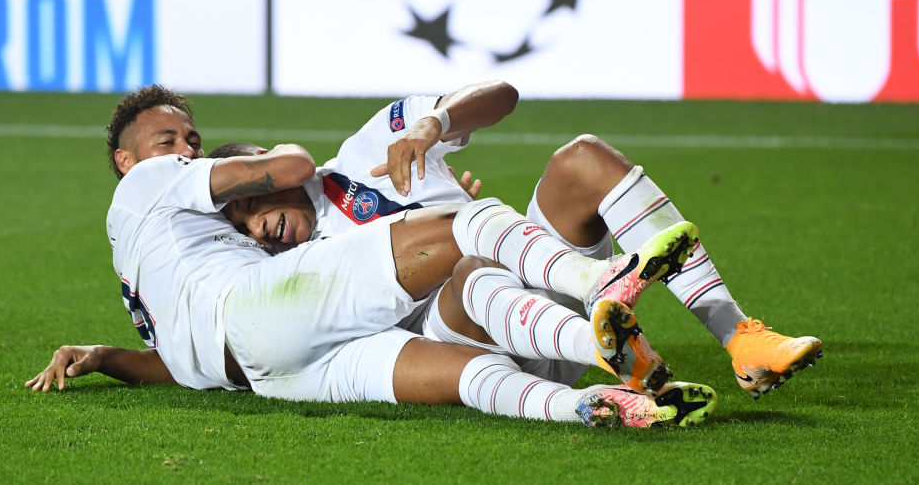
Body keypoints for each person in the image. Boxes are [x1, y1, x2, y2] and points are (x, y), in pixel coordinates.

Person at [27, 85, 717, 429]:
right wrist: (267, 166)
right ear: (126, 161)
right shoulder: (156, 184)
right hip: (265, 321)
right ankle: (599, 281)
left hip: (268, 376)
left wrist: (107, 356)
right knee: (464, 230)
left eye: (191, 137)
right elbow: (294, 161)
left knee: (461, 374)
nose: (184, 149)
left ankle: (589, 403)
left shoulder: (147, 262)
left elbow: (186, 359)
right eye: (166, 140)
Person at [215, 83, 822, 399]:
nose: (252, 224)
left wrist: (436, 123)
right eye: (237, 223)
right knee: (468, 261)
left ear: (273, 166)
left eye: (248, 200)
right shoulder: (282, 279)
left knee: (581, 160)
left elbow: (501, 95)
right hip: (472, 345)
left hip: (541, 284)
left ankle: (742, 340)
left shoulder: (367, 153)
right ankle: (606, 329)